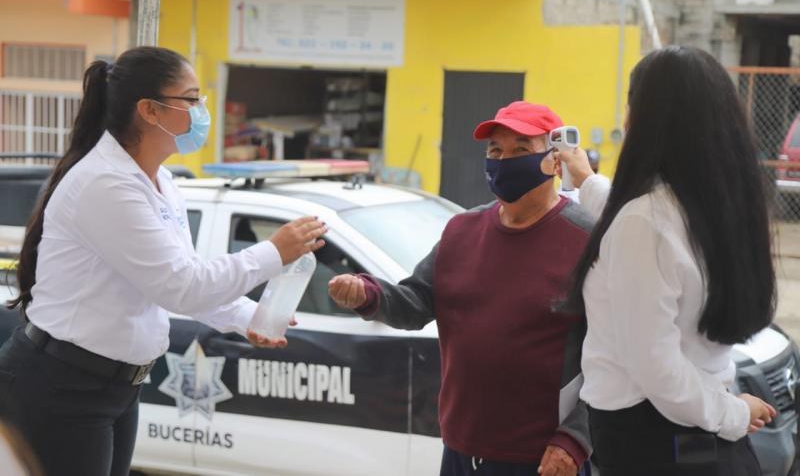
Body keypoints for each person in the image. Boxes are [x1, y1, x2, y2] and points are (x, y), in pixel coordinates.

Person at [0, 46, 327, 476]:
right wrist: (273, 252)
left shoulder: (161, 183)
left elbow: (182, 283)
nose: (201, 111)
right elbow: (182, 284)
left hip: (117, 386)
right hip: (63, 384)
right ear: (150, 111)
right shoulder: (107, 185)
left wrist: (248, 317)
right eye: (191, 100)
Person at [328, 101, 594, 476]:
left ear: (555, 160)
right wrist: (368, 294)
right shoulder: (461, 231)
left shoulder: (587, 238)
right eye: (495, 151)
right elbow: (416, 302)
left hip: (545, 460)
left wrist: (575, 438)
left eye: (520, 149)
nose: (504, 161)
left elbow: (617, 355)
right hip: (460, 451)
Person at [558, 46, 777, 475]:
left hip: (651, 437)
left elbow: (653, 366)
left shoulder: (644, 222)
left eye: (630, 104)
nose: (625, 120)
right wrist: (585, 181)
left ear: (649, 121)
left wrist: (732, 415)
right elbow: (645, 233)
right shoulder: (716, 209)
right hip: (695, 427)